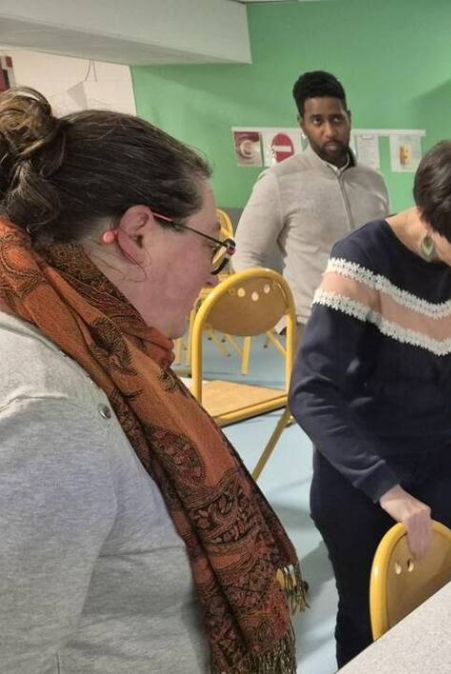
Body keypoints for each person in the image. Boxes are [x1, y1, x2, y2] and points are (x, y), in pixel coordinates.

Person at [0, 87, 303, 673]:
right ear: (138, 234)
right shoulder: (45, 410)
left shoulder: (101, 347)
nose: (214, 276)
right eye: (212, 246)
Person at [290, 141, 451, 667]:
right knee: (369, 624)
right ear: (430, 223)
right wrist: (386, 489)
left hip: (436, 463)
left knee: (441, 609)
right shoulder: (362, 261)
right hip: (360, 480)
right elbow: (310, 393)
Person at [232, 70, 389, 335]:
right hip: (311, 324)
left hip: (372, 323)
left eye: (337, 119)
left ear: (349, 119)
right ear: (302, 124)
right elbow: (244, 254)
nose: (329, 131)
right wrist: (282, 320)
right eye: (317, 121)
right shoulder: (279, 181)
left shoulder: (374, 183)